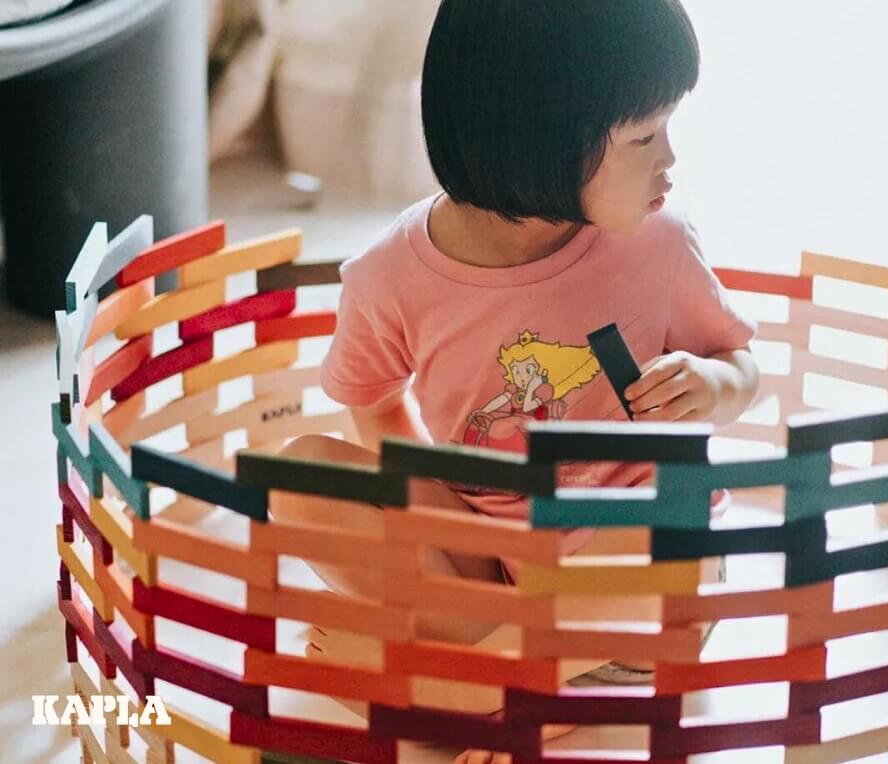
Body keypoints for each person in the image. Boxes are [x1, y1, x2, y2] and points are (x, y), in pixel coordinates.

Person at [271, 1, 760, 760]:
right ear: (541, 140)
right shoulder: (389, 277)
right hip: (489, 567)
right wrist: (433, 522)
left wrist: (715, 385)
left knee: (670, 532)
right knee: (298, 475)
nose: (670, 161)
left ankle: (464, 685)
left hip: (633, 575)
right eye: (644, 136)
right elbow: (373, 406)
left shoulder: (656, 245)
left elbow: (741, 365)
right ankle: (513, 673)